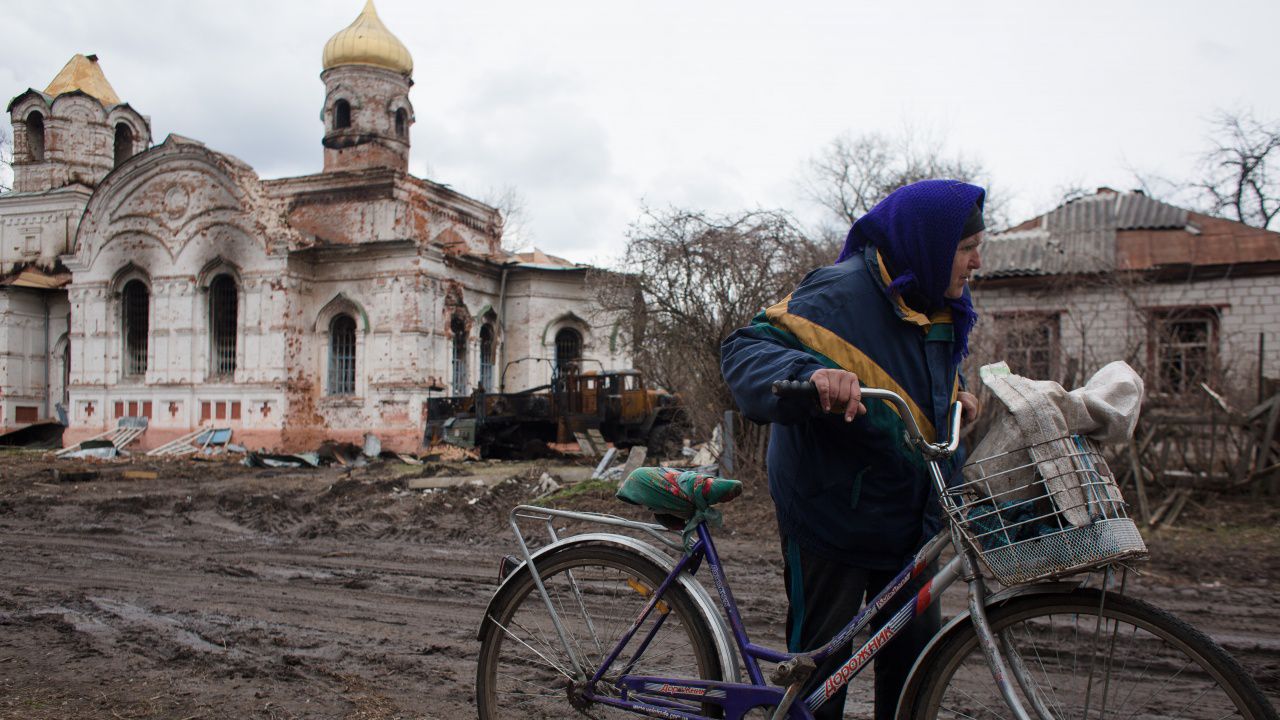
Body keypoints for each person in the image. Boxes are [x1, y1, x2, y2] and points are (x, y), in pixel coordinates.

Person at [720, 179, 984, 720]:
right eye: (966, 249)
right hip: (832, 513)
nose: (977, 262)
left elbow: (910, 379)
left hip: (913, 523)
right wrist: (810, 374)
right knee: (819, 681)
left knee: (914, 669)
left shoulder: (937, 299)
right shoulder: (836, 295)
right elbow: (744, 353)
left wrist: (956, 400)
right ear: (927, 244)